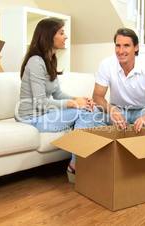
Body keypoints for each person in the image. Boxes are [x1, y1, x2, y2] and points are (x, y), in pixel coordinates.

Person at [15, 18, 95, 183]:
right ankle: (76, 165)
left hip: (45, 113)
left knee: (89, 110)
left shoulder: (50, 59)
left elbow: (57, 93)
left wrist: (78, 99)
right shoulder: (35, 62)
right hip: (31, 118)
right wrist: (73, 104)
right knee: (83, 113)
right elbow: (40, 102)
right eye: (61, 33)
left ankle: (78, 163)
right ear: (49, 36)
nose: (65, 37)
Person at [93, 28, 145, 134]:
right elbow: (97, 97)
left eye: (126, 46)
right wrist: (111, 110)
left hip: (143, 110)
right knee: (92, 115)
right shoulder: (106, 64)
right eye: (118, 46)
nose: (121, 51)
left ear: (136, 47)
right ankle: (112, 147)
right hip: (118, 110)